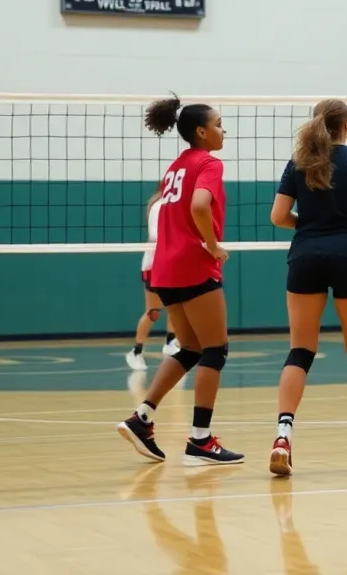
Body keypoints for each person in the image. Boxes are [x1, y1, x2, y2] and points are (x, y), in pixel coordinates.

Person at [268, 99, 347, 477]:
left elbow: (278, 217)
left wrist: (309, 227)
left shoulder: (298, 163)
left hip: (305, 256)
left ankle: (282, 436)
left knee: (300, 351)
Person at [115, 98, 243, 466]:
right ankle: (200, 441)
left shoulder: (174, 168)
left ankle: (141, 418)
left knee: (188, 348)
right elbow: (200, 206)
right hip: (193, 266)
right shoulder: (208, 163)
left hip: (164, 271)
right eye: (219, 123)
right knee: (215, 350)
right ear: (202, 131)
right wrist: (214, 245)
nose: (224, 129)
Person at [125, 191, 180, 371]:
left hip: (172, 264)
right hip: (154, 264)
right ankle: (136, 352)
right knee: (153, 312)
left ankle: (170, 343)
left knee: (175, 306)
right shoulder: (160, 206)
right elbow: (156, 238)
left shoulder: (180, 205)